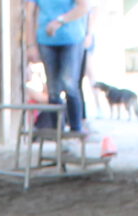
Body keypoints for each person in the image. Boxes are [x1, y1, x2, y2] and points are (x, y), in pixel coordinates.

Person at [29, 0, 92, 133]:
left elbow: (84, 7)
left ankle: (76, 129)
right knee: (53, 89)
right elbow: (30, 14)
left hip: (71, 39)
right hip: (45, 40)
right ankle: (58, 133)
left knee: (69, 84)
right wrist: (31, 44)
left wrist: (60, 21)